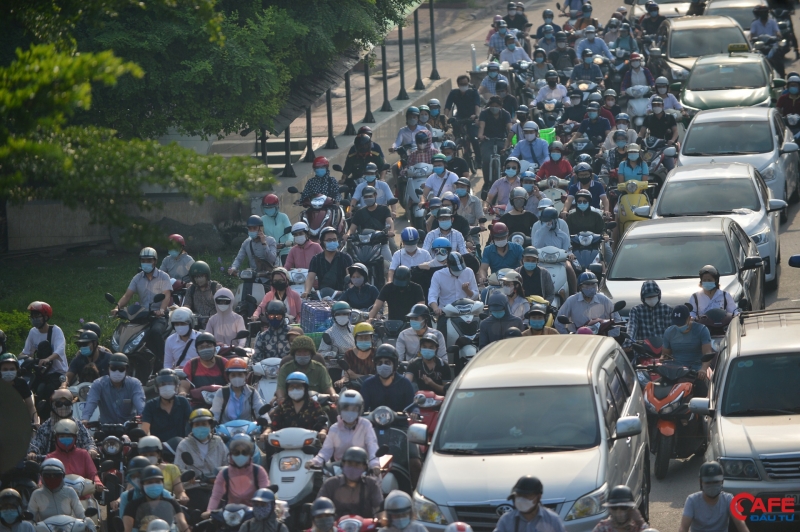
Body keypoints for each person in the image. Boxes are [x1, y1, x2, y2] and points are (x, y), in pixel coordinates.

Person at [308, 391, 378, 472]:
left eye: (354, 409)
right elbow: (326, 451)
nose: (349, 412)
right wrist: (314, 461)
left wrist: (375, 464)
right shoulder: (334, 428)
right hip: (340, 470)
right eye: (346, 408)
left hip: (362, 470)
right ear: (339, 409)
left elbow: (372, 446)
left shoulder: (366, 425)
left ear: (360, 410)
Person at [204, 434, 269, 514]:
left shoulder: (259, 471)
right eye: (236, 452)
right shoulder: (224, 473)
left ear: (250, 454)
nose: (240, 455)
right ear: (231, 454)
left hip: (254, 515)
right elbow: (216, 495)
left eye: (244, 452)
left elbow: (264, 493)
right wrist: (209, 511)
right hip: (230, 515)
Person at [679, 461, 749, 532]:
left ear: (722, 481)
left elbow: (740, 523)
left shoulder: (729, 500)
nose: (712, 485)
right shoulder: (692, 501)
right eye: (708, 482)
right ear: (700, 482)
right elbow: (684, 527)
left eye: (715, 482)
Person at [20, 301, 68, 404]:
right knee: (28, 389)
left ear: (46, 317)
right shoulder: (33, 332)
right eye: (32, 316)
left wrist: (48, 359)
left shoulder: (55, 331)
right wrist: (17, 361)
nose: (34, 318)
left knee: (45, 390)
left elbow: (59, 350)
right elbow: (26, 352)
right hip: (41, 373)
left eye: (37, 315)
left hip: (57, 373)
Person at [28, 388, 98, 458]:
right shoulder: (46, 427)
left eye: (67, 403)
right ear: (52, 405)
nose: (63, 406)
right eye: (59, 404)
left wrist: (91, 450)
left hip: (76, 464)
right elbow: (36, 444)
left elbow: (88, 442)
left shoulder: (78, 425)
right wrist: (33, 452)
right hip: (50, 465)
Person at [82, 353, 145, 425]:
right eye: (113, 368)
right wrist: (85, 419)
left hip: (129, 428)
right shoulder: (98, 384)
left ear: (126, 370)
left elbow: (140, 402)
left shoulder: (134, 384)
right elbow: (91, 402)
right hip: (105, 429)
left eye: (121, 369)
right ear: (108, 368)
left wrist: (143, 415)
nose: (117, 372)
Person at [123, 465, 190, 532]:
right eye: (149, 482)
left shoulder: (172, 503)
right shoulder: (132, 506)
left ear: (162, 483)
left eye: (157, 481)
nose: (154, 485)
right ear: (142, 485)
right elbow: (126, 529)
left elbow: (182, 523)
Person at [46, 419, 102, 491]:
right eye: (62, 436)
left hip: (82, 497)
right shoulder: (50, 457)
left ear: (75, 438)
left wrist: (97, 483)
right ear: (56, 438)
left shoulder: (83, 454)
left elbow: (93, 474)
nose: (65, 438)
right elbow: (44, 478)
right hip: (58, 498)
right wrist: (40, 484)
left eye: (69, 436)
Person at [429, 252, 479, 333]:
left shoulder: (469, 272)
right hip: (447, 313)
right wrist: (436, 309)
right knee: (441, 332)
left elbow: (476, 294)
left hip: (467, 311)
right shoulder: (438, 275)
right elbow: (432, 295)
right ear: (448, 265)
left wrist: (466, 290)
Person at [494, 476, 566, 532]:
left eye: (526, 496)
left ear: (538, 497)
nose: (521, 499)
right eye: (518, 495)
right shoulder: (507, 520)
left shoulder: (552, 520)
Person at [276, 336, 336, 402]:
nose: (302, 355)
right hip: (291, 406)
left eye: (305, 351)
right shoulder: (285, 368)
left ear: (311, 353)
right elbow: (281, 387)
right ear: (294, 353)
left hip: (317, 405)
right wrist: (280, 398)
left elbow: (327, 386)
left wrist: (333, 395)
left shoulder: (320, 368)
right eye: (299, 351)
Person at [556, 272, 620, 333]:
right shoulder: (571, 301)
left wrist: (611, 337)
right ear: (580, 287)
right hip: (579, 337)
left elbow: (616, 319)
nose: (591, 289)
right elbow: (558, 322)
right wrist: (568, 337)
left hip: (600, 338)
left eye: (593, 286)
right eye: (587, 286)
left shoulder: (604, 300)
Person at [174, 408, 229, 478]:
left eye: (204, 424)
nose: (200, 427)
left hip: (216, 485)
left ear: (210, 426)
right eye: (197, 425)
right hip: (194, 486)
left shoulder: (218, 442)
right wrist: (188, 476)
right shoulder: (184, 445)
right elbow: (178, 469)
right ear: (192, 427)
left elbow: (227, 465)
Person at [268, 371, 327, 437]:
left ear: (305, 388)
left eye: (298, 386)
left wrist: (323, 432)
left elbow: (322, 425)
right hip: (285, 443)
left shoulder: (314, 405)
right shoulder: (283, 406)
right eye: (292, 387)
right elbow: (272, 424)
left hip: (309, 443)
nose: (295, 389)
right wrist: (266, 432)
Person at [534, 207, 577, 295]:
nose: (547, 223)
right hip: (542, 262)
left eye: (550, 221)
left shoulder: (563, 235)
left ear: (555, 220)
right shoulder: (539, 233)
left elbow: (567, 250)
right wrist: (545, 230)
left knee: (569, 268)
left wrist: (569, 254)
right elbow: (536, 247)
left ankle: (574, 292)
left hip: (560, 262)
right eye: (545, 221)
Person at [211, 357, 267, 424]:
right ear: (228, 377)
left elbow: (260, 410)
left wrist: (267, 423)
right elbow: (215, 414)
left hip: (248, 431)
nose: (236, 377)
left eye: (240, 374)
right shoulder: (222, 392)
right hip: (225, 432)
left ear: (246, 375)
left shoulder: (252, 392)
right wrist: (213, 424)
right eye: (233, 375)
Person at [141, 369, 192, 441]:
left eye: (170, 383)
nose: (167, 387)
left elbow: (193, 423)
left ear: (176, 386)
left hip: (180, 446)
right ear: (157, 388)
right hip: (159, 448)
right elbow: (145, 429)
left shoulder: (183, 402)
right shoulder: (150, 405)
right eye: (162, 384)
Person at [303, 226, 354, 297]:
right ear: (322, 242)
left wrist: (351, 291)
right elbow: (310, 278)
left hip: (342, 297)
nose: (332, 242)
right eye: (329, 240)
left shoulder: (345, 257)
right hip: (322, 297)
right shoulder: (316, 259)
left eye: (334, 239)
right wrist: (307, 291)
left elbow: (350, 277)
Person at [137, 436, 188, 503]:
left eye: (151, 454)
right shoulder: (137, 471)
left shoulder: (171, 469)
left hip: (168, 508)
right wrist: (118, 501)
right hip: (143, 508)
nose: (148, 457)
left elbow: (179, 492)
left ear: (159, 455)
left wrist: (183, 497)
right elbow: (129, 490)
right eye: (145, 455)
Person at [444, 75, 482, 163]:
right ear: (458, 85)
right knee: (454, 134)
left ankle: (479, 161)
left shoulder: (473, 92)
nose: (463, 86)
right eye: (461, 84)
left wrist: (476, 115)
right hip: (459, 116)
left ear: (468, 84)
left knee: (473, 137)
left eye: (465, 84)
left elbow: (477, 105)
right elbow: (447, 106)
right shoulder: (454, 93)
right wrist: (445, 118)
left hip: (471, 117)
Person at [625, 281, 672, 351]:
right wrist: (628, 342)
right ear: (643, 298)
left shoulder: (667, 309)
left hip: (664, 351)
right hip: (643, 351)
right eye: (648, 297)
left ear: (658, 295)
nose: (651, 299)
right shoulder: (636, 310)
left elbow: (673, 330)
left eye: (653, 296)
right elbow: (632, 327)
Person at [228, 215, 278, 280]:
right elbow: (239, 258)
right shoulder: (246, 243)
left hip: (268, 278)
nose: (252, 231)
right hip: (252, 278)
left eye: (254, 228)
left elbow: (272, 259)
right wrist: (234, 268)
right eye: (250, 229)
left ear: (261, 229)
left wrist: (264, 243)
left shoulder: (271, 240)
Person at [478, 96, 513, 187]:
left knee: (506, 159)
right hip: (487, 140)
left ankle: (506, 180)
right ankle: (487, 183)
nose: (494, 108)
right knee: (486, 159)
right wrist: (480, 136)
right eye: (492, 106)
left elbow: (509, 128)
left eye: (496, 106)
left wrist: (511, 138)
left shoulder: (506, 114)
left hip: (502, 140)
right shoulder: (484, 113)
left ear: (501, 106)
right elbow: (481, 126)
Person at [317, 302, 355, 375]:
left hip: (355, 365)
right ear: (333, 316)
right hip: (337, 367)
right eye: (338, 314)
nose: (342, 316)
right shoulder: (329, 333)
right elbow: (321, 353)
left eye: (345, 314)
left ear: (349, 315)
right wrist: (333, 355)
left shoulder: (355, 329)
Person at [0, 353, 38, 424]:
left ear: (17, 370)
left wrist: (35, 422)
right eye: (5, 369)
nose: (8, 372)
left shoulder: (22, 384)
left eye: (12, 369)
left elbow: (31, 407)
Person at [260, 194, 293, 263]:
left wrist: (289, 241)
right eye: (266, 208)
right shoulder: (262, 219)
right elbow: (260, 233)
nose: (268, 209)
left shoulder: (283, 217)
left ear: (277, 207)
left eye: (271, 207)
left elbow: (290, 232)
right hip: (270, 251)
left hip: (285, 250)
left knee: (288, 269)